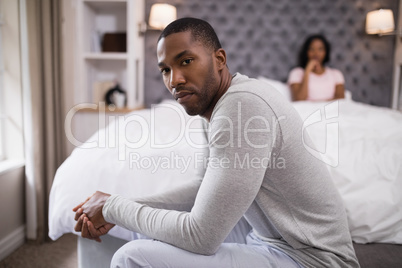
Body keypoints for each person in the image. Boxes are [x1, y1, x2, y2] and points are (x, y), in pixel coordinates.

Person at [73, 18, 360, 268]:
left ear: (219, 59)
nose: (175, 80)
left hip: (311, 258)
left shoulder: (242, 106)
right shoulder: (214, 106)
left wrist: (113, 207)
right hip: (265, 235)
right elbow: (203, 188)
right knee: (132, 227)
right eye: (165, 70)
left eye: (186, 61)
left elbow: (201, 237)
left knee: (131, 257)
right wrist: (116, 207)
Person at [288, 34, 345, 101]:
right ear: (306, 51)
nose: (316, 53)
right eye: (312, 49)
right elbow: (299, 100)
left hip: (332, 110)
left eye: (320, 49)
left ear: (326, 52)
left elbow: (341, 100)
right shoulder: (296, 73)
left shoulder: (336, 74)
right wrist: (307, 71)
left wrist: (315, 103)